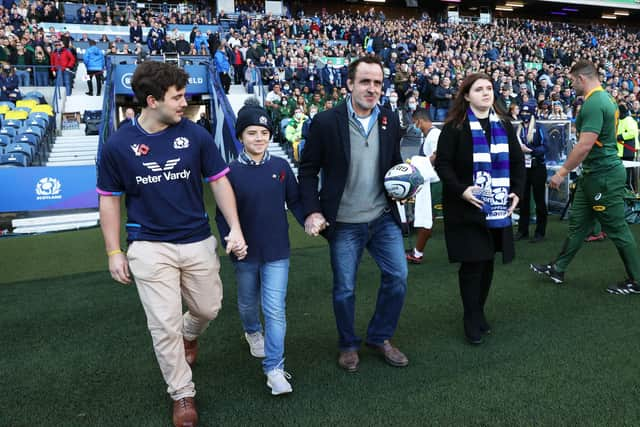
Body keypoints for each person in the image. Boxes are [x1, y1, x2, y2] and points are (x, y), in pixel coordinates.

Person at [96, 61, 247, 427]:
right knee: (163, 325)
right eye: (177, 97)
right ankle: (182, 395)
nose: (184, 102)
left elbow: (219, 181)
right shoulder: (118, 146)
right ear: (151, 100)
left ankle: (190, 334)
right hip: (148, 245)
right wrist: (114, 251)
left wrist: (235, 229)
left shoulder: (195, 135)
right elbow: (109, 198)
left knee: (209, 308)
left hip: (196, 240)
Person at [299, 56, 409, 372]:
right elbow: (307, 171)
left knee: (398, 276)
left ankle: (379, 336)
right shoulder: (324, 122)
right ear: (349, 84)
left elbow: (394, 163)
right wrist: (312, 211)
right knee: (345, 288)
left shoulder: (389, 120)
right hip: (344, 223)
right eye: (365, 81)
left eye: (377, 82)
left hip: (382, 217)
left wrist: (405, 183)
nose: (372, 88)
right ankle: (348, 344)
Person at [216, 99, 304, 396]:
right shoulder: (228, 173)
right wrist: (232, 240)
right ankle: (253, 332)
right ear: (241, 136)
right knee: (246, 303)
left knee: (275, 310)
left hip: (277, 251)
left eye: (264, 133)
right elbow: (222, 216)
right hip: (245, 255)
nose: (259, 138)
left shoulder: (280, 167)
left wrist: (310, 220)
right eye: (252, 133)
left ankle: (274, 369)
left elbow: (295, 201)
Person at [530, 60, 640, 295]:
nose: (570, 85)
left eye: (571, 80)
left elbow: (584, 146)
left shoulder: (594, 103)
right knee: (578, 225)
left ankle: (637, 280)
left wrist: (561, 172)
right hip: (593, 175)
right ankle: (558, 268)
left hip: (603, 175)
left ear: (581, 78)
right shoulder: (606, 99)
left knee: (617, 228)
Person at [434, 73, 525, 345]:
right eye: (479, 89)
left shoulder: (506, 126)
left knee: (487, 263)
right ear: (466, 95)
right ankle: (470, 318)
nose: (486, 93)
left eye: (489, 88)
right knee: (473, 264)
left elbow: (519, 163)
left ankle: (479, 311)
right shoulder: (454, 127)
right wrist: (462, 190)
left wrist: (517, 192)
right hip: (466, 208)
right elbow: (443, 165)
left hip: (497, 208)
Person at [406, 108, 440, 264]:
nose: (415, 127)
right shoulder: (428, 136)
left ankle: (418, 253)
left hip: (435, 182)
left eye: (414, 123)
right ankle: (417, 250)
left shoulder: (434, 135)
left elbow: (437, 155)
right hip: (431, 181)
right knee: (428, 217)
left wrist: (418, 164)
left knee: (427, 217)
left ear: (419, 121)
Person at [515, 104, 548, 242]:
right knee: (523, 199)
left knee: (539, 199)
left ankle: (540, 231)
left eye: (527, 112)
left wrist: (531, 151)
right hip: (523, 167)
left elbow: (546, 146)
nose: (524, 114)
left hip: (537, 166)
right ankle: (522, 230)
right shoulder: (518, 128)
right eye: (522, 112)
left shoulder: (539, 127)